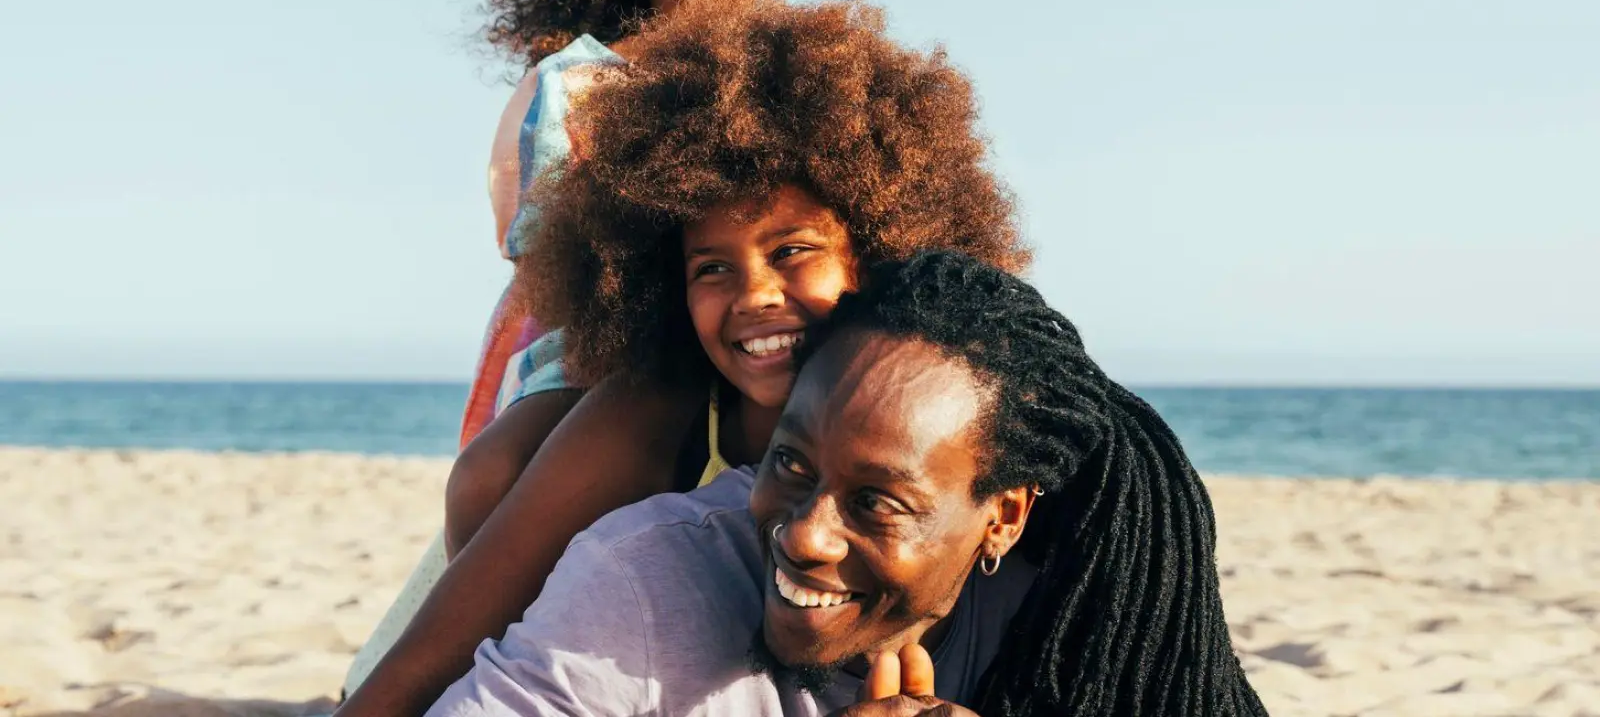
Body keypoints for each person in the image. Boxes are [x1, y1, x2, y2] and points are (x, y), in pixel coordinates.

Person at [338, 0, 1027, 716]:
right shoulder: (651, 419)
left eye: (792, 251)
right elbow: (423, 678)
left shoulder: (945, 412)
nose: (755, 294)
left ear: (882, 246)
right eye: (711, 268)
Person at [337, 0, 830, 698]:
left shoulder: (813, 63)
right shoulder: (578, 84)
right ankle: (515, 666)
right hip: (613, 346)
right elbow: (550, 266)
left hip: (776, 333)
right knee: (488, 477)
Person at [427, 250, 1271, 717]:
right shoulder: (642, 589)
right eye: (791, 465)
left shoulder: (1072, 602)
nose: (803, 534)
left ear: (1003, 518)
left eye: (878, 502)